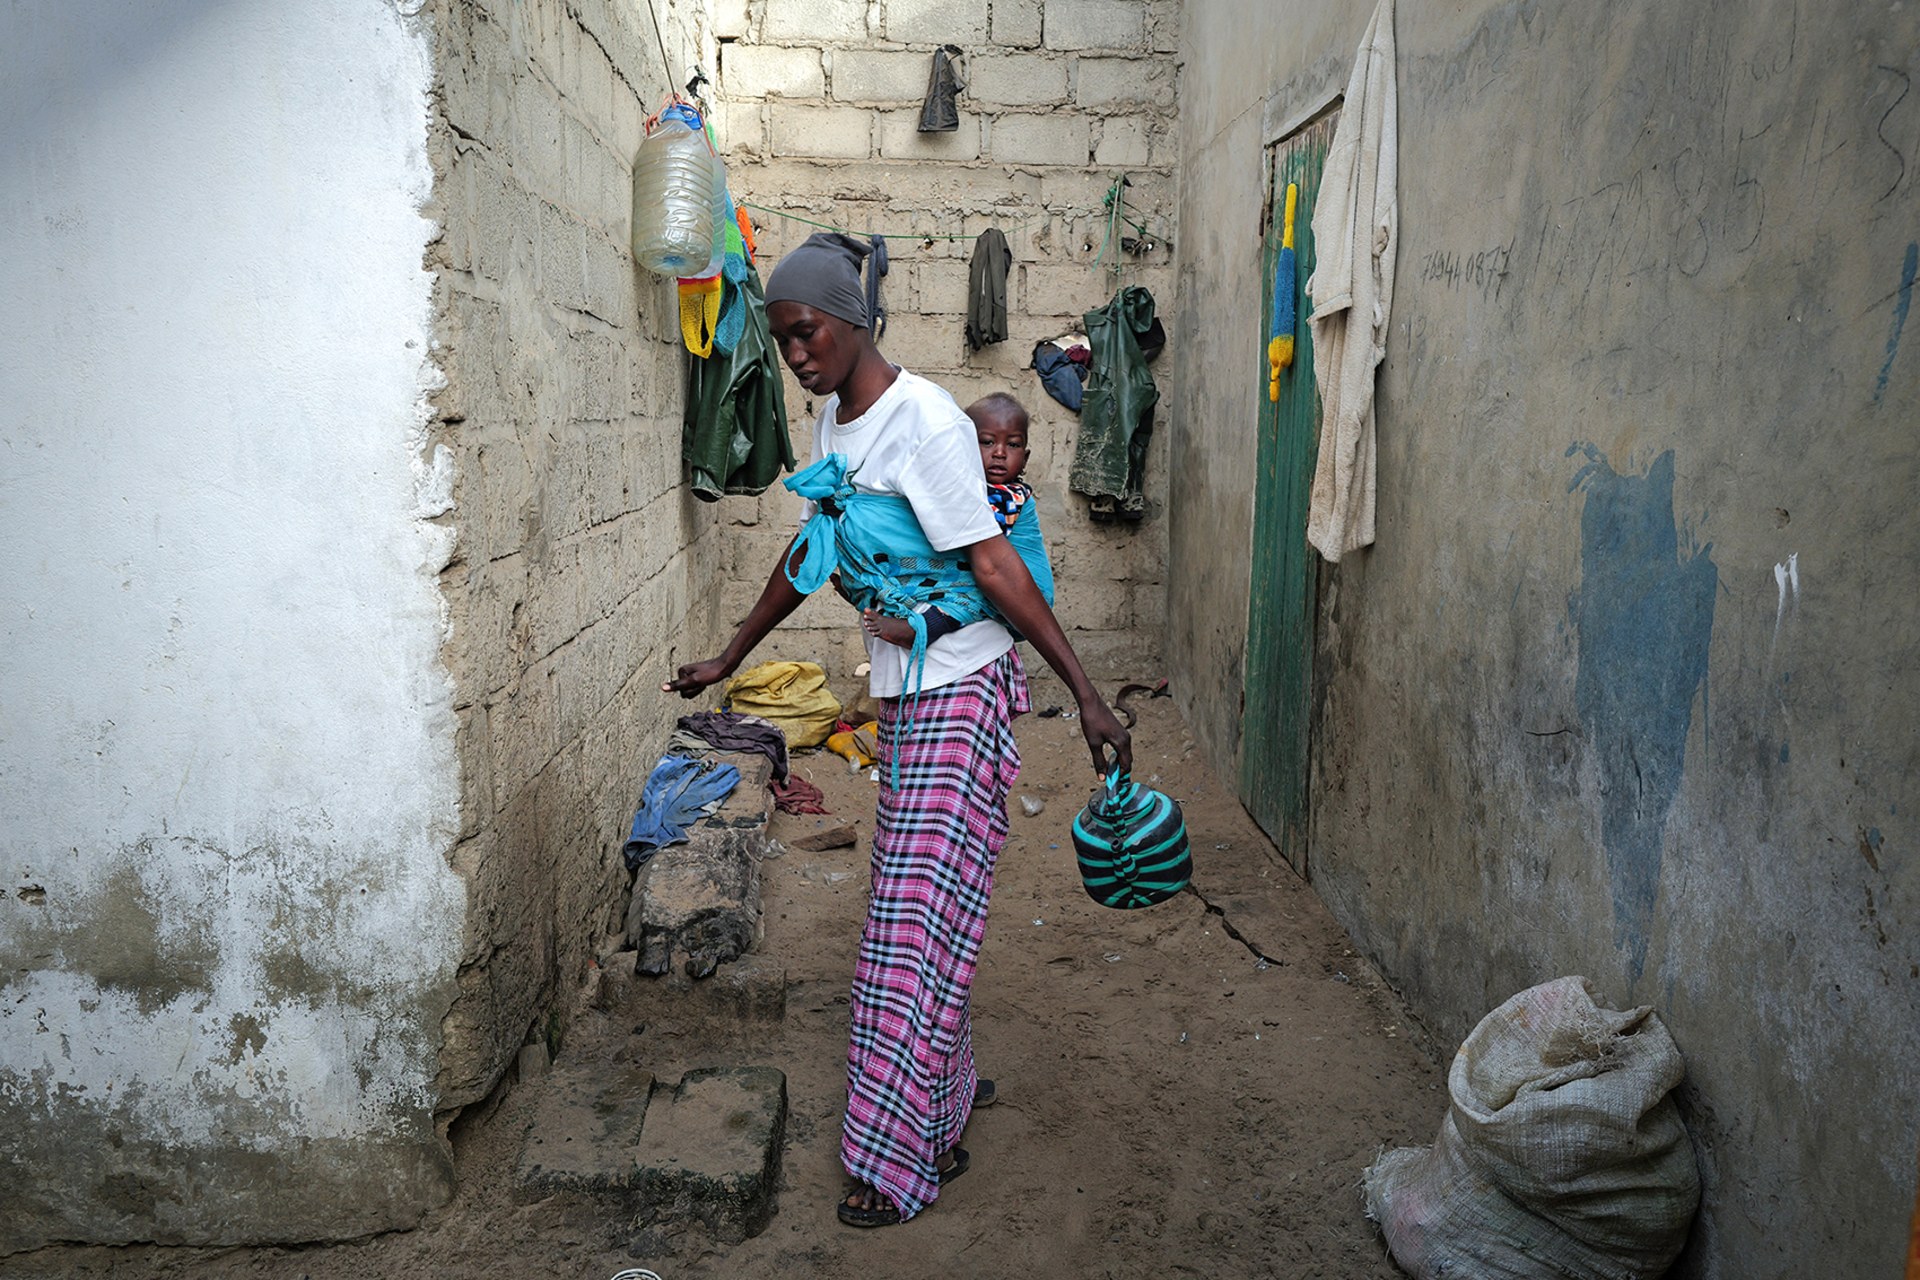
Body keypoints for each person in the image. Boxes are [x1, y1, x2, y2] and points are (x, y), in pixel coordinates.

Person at [662, 232, 1130, 1230]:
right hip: (910, 696)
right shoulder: (838, 419)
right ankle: (945, 1091)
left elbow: (996, 566)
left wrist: (1086, 692)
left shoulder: (924, 422)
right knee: (927, 910)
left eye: (804, 332)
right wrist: (731, 654)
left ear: (852, 319)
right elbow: (811, 544)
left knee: (908, 929)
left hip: (961, 690)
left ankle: (904, 1154)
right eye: (782, 338)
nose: (794, 354)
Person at [860, 392, 1053, 651]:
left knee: (971, 578)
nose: (999, 453)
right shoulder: (976, 488)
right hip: (1010, 596)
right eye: (986, 442)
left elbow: (972, 546)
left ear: (1026, 458)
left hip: (1029, 598)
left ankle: (922, 629)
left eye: (1014, 445)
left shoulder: (1010, 497)